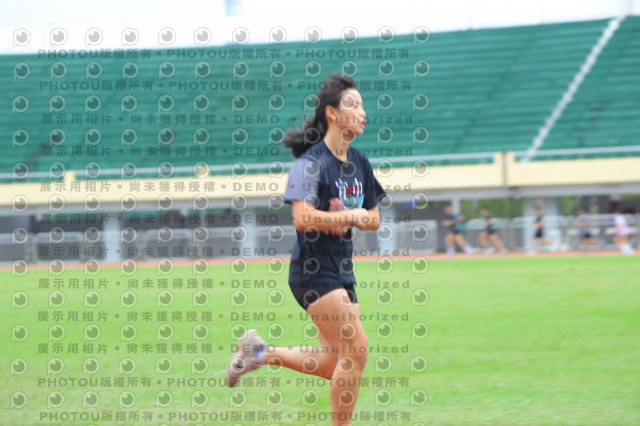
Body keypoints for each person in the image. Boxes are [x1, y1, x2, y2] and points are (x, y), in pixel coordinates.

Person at [226, 74, 386, 426]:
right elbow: (302, 218)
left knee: (333, 363)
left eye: (363, 105)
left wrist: (359, 217)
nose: (363, 113)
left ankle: (260, 353)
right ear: (332, 113)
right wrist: (348, 215)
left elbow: (374, 218)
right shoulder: (309, 163)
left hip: (343, 273)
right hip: (313, 272)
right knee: (357, 350)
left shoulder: (360, 163)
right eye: (353, 105)